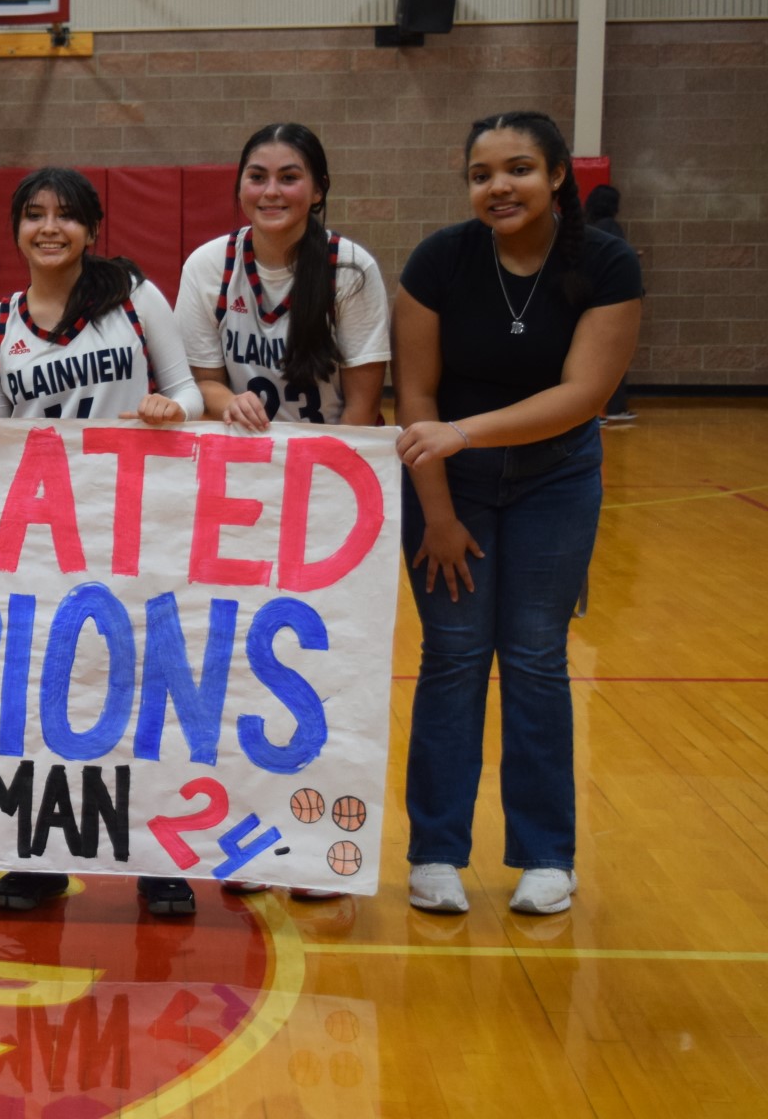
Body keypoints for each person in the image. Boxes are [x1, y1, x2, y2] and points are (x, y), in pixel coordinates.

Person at [393, 111, 641, 916]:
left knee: (535, 658)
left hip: (555, 482)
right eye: (481, 174)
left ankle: (545, 855)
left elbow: (584, 396)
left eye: (520, 168)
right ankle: (435, 852)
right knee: (454, 656)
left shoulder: (606, 262)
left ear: (559, 175)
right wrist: (436, 511)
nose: (499, 186)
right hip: (449, 488)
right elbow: (417, 396)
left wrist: (465, 433)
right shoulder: (440, 260)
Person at [0, 168, 203, 915]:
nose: (49, 228)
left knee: (138, 688)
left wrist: (167, 407)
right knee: (41, 692)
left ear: (92, 229)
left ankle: (157, 858)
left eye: (66, 216)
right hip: (41, 535)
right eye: (34, 215)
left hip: (134, 525)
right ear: (17, 228)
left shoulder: (134, 298)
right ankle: (40, 855)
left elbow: (185, 388)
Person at [173, 122, 389, 901]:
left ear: (318, 189)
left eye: (289, 176)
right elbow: (200, 379)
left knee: (318, 670)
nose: (271, 190)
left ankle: (319, 840)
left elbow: (364, 401)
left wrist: (327, 492)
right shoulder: (209, 264)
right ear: (239, 187)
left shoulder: (351, 268)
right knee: (238, 669)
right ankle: (252, 841)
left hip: (326, 491)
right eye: (257, 175)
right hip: (238, 492)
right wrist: (232, 403)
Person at [583, 184, 638, 424]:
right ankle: (610, 409)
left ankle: (594, 412)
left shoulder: (587, 228)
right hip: (605, 302)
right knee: (612, 360)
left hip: (586, 301)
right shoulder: (610, 230)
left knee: (591, 360)